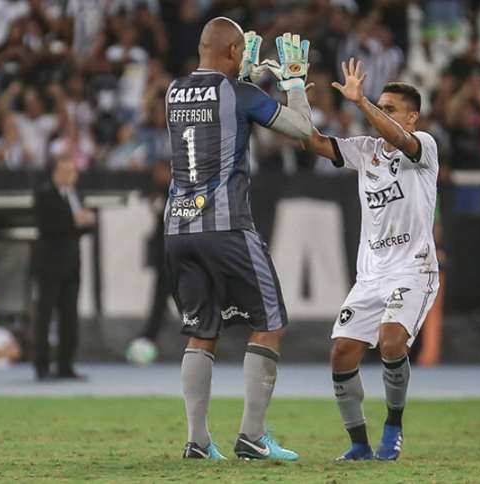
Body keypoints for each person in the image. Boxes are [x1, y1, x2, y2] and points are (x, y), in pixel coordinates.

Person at [166, 19, 313, 460]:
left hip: (178, 226)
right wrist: (294, 84)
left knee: (200, 331)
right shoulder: (239, 93)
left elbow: (215, 117)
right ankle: (252, 435)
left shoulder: (173, 91)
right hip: (226, 227)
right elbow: (303, 130)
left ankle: (197, 441)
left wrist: (243, 74)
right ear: (234, 50)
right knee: (269, 324)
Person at [303, 60, 439, 460]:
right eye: (379, 106)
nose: (381, 113)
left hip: (414, 269)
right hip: (371, 274)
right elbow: (312, 141)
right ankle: (359, 444)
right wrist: (295, 93)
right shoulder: (365, 152)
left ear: (412, 117)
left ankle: (393, 426)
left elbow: (398, 137)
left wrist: (361, 103)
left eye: (389, 108)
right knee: (342, 351)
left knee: (392, 339)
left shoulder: (425, 147)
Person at [33, 156, 95, 380]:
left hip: (72, 264)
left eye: (72, 171)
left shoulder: (76, 193)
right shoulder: (44, 193)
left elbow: (85, 225)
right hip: (49, 264)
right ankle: (41, 366)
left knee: (70, 316)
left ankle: (65, 365)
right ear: (55, 173)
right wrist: (77, 220)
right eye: (64, 171)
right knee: (45, 315)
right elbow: (51, 225)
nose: (69, 175)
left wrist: (83, 221)